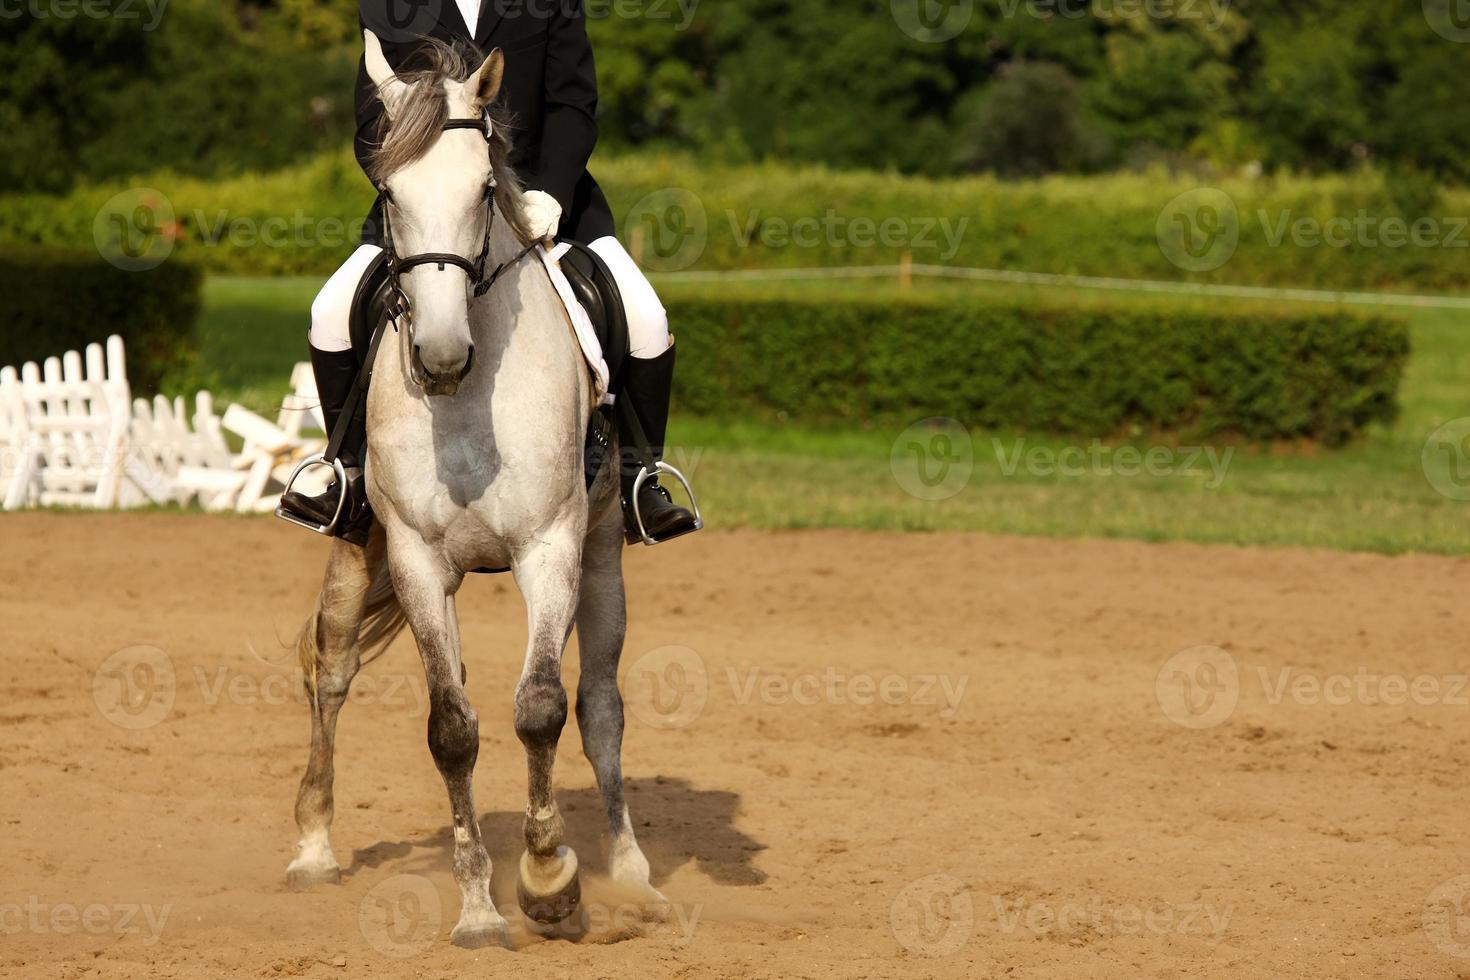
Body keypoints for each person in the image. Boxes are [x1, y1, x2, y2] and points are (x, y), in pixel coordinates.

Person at [279, 0, 698, 544]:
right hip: (433, 213)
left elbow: (573, 102)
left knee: (646, 317)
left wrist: (551, 191)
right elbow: (370, 122)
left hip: (548, 201)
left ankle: (640, 480)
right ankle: (347, 476)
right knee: (329, 313)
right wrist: (422, 189)